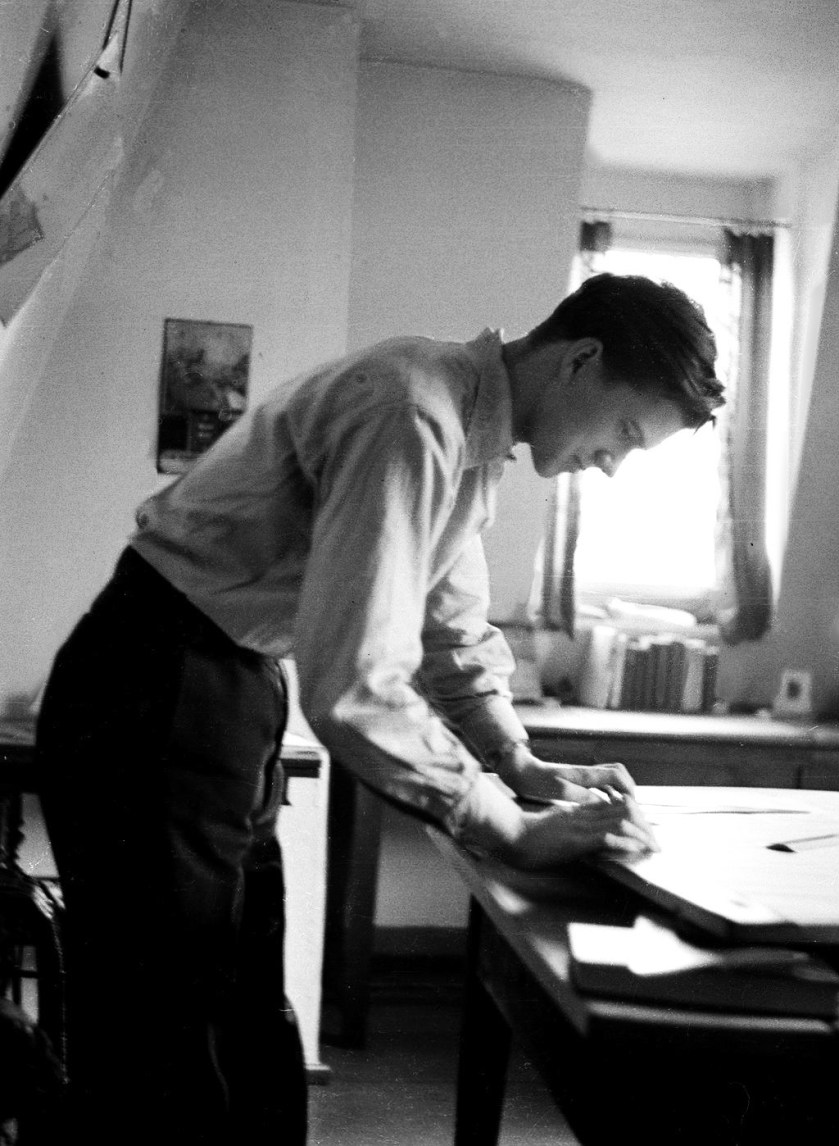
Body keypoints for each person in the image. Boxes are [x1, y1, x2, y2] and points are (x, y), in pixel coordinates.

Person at [35, 272, 724, 1145]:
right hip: (157, 684)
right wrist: (506, 830)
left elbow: (449, 627)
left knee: (244, 1015)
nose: (612, 465)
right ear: (580, 360)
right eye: (624, 432)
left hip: (227, 683)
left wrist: (516, 763)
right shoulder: (410, 412)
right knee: (164, 1039)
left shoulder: (467, 436)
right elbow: (357, 686)